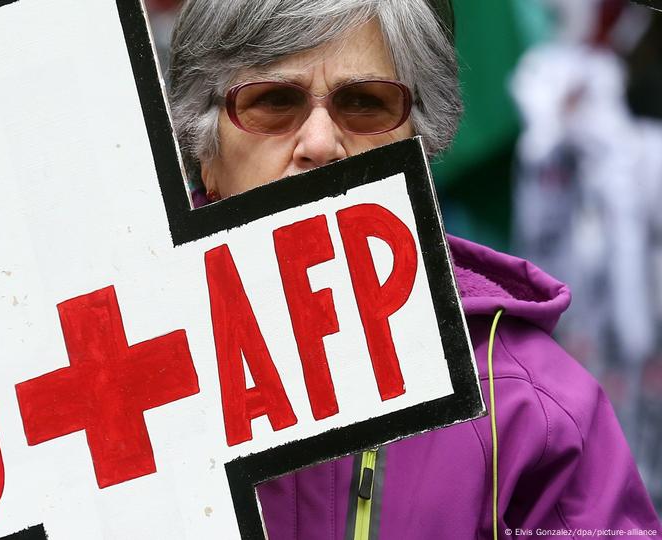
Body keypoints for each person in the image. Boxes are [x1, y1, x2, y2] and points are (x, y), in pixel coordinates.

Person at [167, 0, 661, 538]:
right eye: (274, 102)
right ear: (204, 148)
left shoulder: (528, 408)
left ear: (420, 146)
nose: (319, 144)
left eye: (364, 104)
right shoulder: (125, 373)